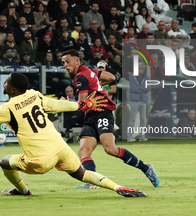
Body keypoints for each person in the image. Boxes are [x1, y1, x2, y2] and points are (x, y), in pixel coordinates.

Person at [0, 73, 146, 198]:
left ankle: (23, 191)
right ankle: (119, 188)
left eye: (6, 82)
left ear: (13, 89)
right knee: (82, 173)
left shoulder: (7, 108)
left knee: (5, 162)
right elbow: (58, 105)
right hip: (60, 148)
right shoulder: (34, 95)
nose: (4, 84)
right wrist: (81, 104)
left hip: (40, 160)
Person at [61, 49, 160, 189]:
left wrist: (66, 103)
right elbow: (112, 77)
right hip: (91, 115)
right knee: (84, 150)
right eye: (63, 62)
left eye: (68, 61)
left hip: (102, 112)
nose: (65, 64)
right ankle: (92, 182)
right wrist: (98, 85)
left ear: (77, 61)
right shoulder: (90, 71)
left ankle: (146, 168)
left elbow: (81, 105)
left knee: (110, 149)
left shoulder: (81, 77)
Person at [127, 62, 151, 142]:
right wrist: (143, 89)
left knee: (143, 119)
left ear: (144, 69)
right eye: (139, 68)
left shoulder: (146, 77)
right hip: (134, 100)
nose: (140, 70)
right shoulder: (132, 76)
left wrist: (139, 88)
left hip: (143, 100)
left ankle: (142, 135)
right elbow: (133, 89)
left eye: (142, 68)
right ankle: (130, 136)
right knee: (132, 119)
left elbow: (148, 89)